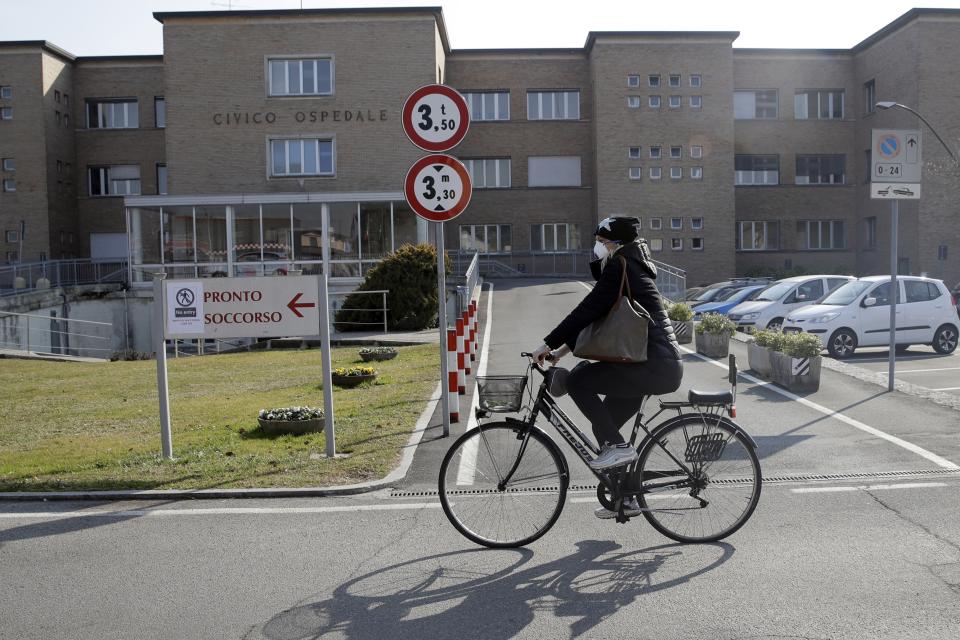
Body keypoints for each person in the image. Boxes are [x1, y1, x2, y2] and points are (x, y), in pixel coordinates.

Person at [530, 216, 683, 518]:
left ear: (616, 243)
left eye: (602, 242)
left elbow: (589, 309)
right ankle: (626, 497)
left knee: (578, 381)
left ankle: (619, 450)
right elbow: (603, 319)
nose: (598, 247)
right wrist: (561, 350)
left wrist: (547, 343)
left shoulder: (621, 266)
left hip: (652, 365)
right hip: (652, 365)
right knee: (605, 425)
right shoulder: (631, 265)